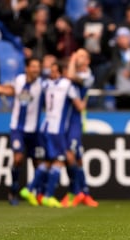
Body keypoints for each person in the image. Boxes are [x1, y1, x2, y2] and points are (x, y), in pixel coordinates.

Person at [0, 58, 45, 206]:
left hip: (34, 129)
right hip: (18, 128)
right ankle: (13, 191)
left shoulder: (42, 84)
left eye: (38, 67)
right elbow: (11, 89)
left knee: (38, 162)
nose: (36, 69)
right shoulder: (20, 79)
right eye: (33, 66)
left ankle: (36, 192)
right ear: (27, 68)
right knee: (18, 159)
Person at [39, 62, 86, 208]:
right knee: (63, 159)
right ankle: (72, 192)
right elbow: (80, 106)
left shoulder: (84, 76)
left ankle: (76, 191)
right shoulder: (66, 84)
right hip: (60, 128)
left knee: (69, 158)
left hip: (65, 128)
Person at [60, 48, 98, 207]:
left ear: (87, 60)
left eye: (81, 55)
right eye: (76, 55)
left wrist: (72, 59)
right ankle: (83, 192)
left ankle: (76, 192)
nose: (77, 57)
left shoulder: (87, 75)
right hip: (65, 121)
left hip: (75, 121)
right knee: (78, 158)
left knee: (72, 156)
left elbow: (69, 75)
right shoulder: (73, 76)